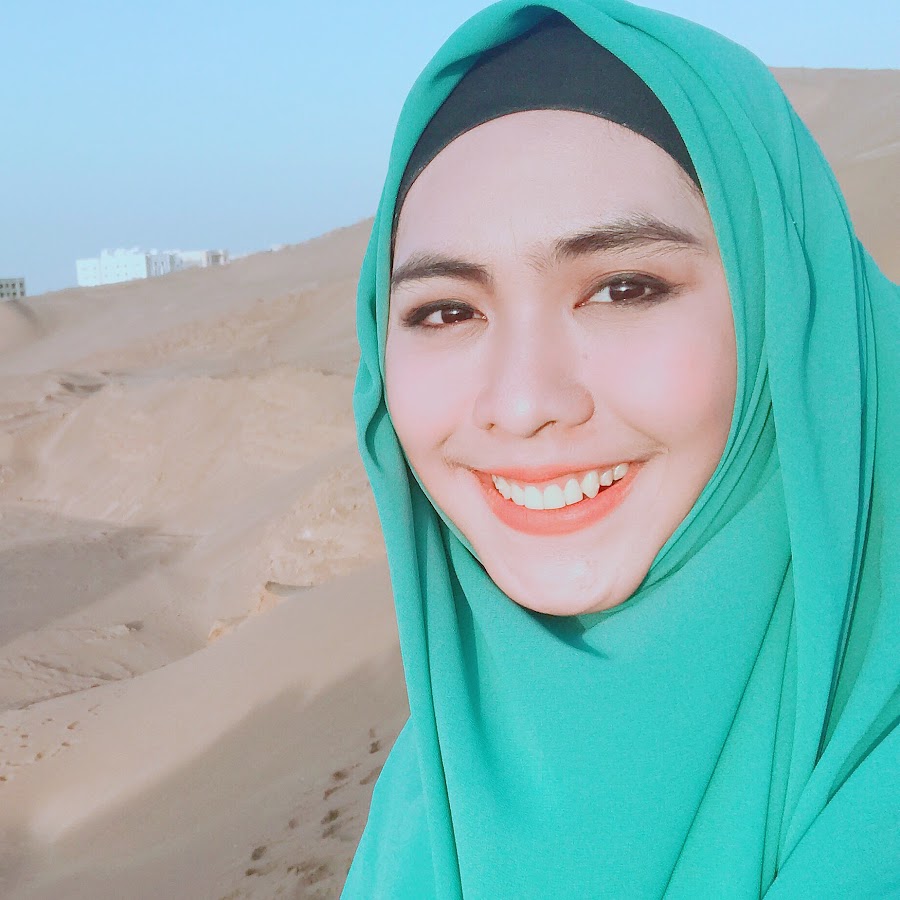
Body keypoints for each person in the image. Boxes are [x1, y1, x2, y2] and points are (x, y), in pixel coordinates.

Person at [343, 2, 899, 897]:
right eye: (446, 310)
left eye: (623, 289)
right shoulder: (431, 792)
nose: (522, 403)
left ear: (784, 313)